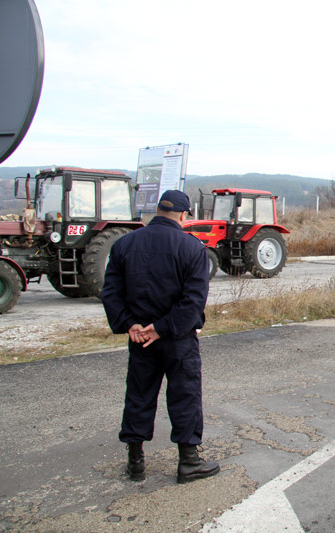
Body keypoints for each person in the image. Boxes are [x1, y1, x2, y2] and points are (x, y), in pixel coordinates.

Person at [101, 189, 220, 483]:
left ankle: (135, 462)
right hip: (177, 338)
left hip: (140, 339)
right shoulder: (192, 248)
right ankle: (188, 462)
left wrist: (131, 325)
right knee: (185, 395)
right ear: (183, 215)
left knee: (139, 395)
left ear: (156, 210)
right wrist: (162, 328)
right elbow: (193, 301)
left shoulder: (124, 244)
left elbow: (111, 293)